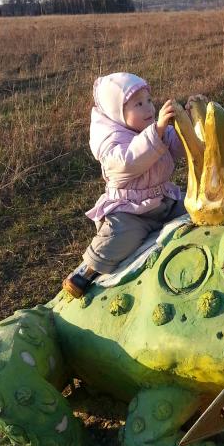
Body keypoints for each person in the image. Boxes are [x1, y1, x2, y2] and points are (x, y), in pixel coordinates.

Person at [63, 72, 197, 298]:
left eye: (149, 101)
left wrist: (189, 121)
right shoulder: (111, 142)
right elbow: (130, 162)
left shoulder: (155, 128)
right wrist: (157, 131)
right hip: (131, 210)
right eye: (138, 104)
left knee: (194, 205)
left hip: (164, 199)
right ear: (117, 112)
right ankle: (87, 271)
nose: (149, 109)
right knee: (119, 237)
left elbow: (180, 147)